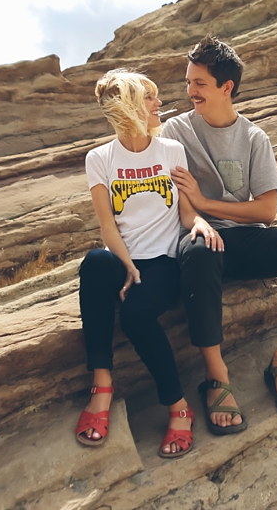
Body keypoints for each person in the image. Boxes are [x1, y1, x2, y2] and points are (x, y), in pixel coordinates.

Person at [162, 36, 277, 435]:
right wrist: (200, 217)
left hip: (248, 239)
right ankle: (217, 376)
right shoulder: (174, 131)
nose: (190, 92)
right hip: (201, 240)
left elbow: (266, 210)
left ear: (227, 87)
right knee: (200, 247)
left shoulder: (255, 138)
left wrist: (208, 202)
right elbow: (175, 198)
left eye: (200, 84)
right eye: (188, 82)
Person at [75, 69, 224, 458]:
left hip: (163, 261)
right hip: (126, 258)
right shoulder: (99, 159)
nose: (159, 104)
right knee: (94, 263)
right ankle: (102, 386)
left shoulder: (171, 152)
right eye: (149, 98)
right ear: (128, 107)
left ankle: (178, 407)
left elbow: (187, 213)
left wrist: (202, 223)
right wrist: (127, 267)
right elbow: (107, 228)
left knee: (135, 316)